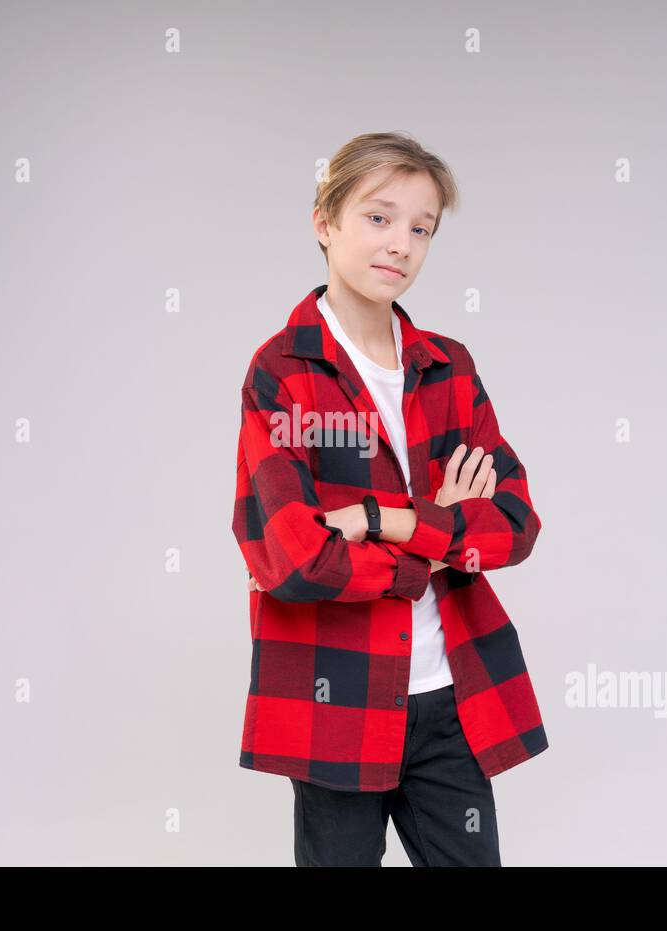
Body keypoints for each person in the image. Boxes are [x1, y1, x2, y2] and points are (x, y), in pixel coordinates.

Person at [231, 131, 549, 866]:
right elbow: (297, 558)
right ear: (325, 221)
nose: (400, 243)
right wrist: (439, 538)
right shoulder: (281, 372)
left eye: (421, 227)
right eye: (379, 217)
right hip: (332, 697)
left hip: (451, 698)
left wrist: (385, 518)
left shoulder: (448, 366)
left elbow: (515, 524)